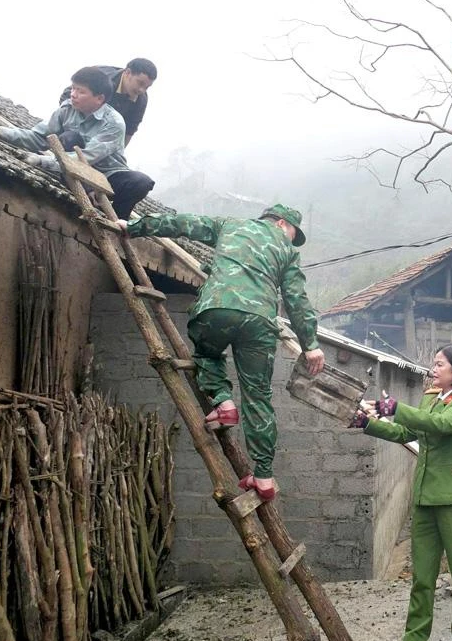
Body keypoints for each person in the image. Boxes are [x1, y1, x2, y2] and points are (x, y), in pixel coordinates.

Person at [121, 204, 324, 500]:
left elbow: (183, 223)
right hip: (259, 323)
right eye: (294, 233)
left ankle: (223, 402)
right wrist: (311, 346)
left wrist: (134, 227)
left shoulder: (229, 224)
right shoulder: (288, 251)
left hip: (215, 309)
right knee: (258, 397)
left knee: (206, 352)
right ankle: (264, 477)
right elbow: (296, 299)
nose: (293, 240)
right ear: (282, 224)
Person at [351, 344, 452, 641]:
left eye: (440, 364)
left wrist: (391, 405)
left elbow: (439, 425)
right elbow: (407, 431)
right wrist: (366, 423)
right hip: (425, 501)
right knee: (421, 578)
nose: (433, 368)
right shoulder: (429, 398)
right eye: (434, 364)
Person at [0, 66, 155, 218]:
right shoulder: (66, 109)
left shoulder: (114, 123)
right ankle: (85, 191)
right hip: (74, 167)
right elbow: (38, 137)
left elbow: (87, 158)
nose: (73, 95)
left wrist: (40, 160)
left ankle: (117, 221)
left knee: (141, 182)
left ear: (99, 98)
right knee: (69, 138)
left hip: (106, 172)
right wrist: (1, 132)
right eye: (73, 88)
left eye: (80, 91)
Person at [59, 58, 157, 144]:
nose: (141, 90)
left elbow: (129, 130)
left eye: (147, 87)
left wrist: (118, 151)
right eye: (140, 83)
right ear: (127, 73)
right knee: (69, 139)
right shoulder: (100, 76)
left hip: (104, 136)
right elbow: (68, 95)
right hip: (77, 126)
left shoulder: (141, 100)